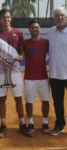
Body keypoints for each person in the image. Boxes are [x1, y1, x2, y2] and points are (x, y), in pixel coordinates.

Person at [0, 9, 30, 138]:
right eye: (3, 17)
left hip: (15, 71)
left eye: (7, 17)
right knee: (2, 99)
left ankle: (22, 124)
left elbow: (22, 51)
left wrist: (21, 56)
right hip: (1, 72)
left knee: (18, 98)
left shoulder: (18, 33)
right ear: (0, 19)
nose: (6, 19)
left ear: (10, 18)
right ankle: (3, 125)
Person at [23, 19, 50, 136]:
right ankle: (30, 123)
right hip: (29, 78)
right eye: (32, 27)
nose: (34, 29)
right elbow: (19, 54)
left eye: (36, 27)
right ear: (29, 29)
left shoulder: (46, 42)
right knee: (29, 102)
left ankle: (45, 122)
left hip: (43, 77)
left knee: (45, 101)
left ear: (40, 29)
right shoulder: (25, 43)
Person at [48, 7, 67, 136]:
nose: (59, 18)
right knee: (58, 103)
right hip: (55, 75)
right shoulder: (50, 32)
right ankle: (60, 125)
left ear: (65, 17)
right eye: (57, 16)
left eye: (62, 15)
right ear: (54, 18)